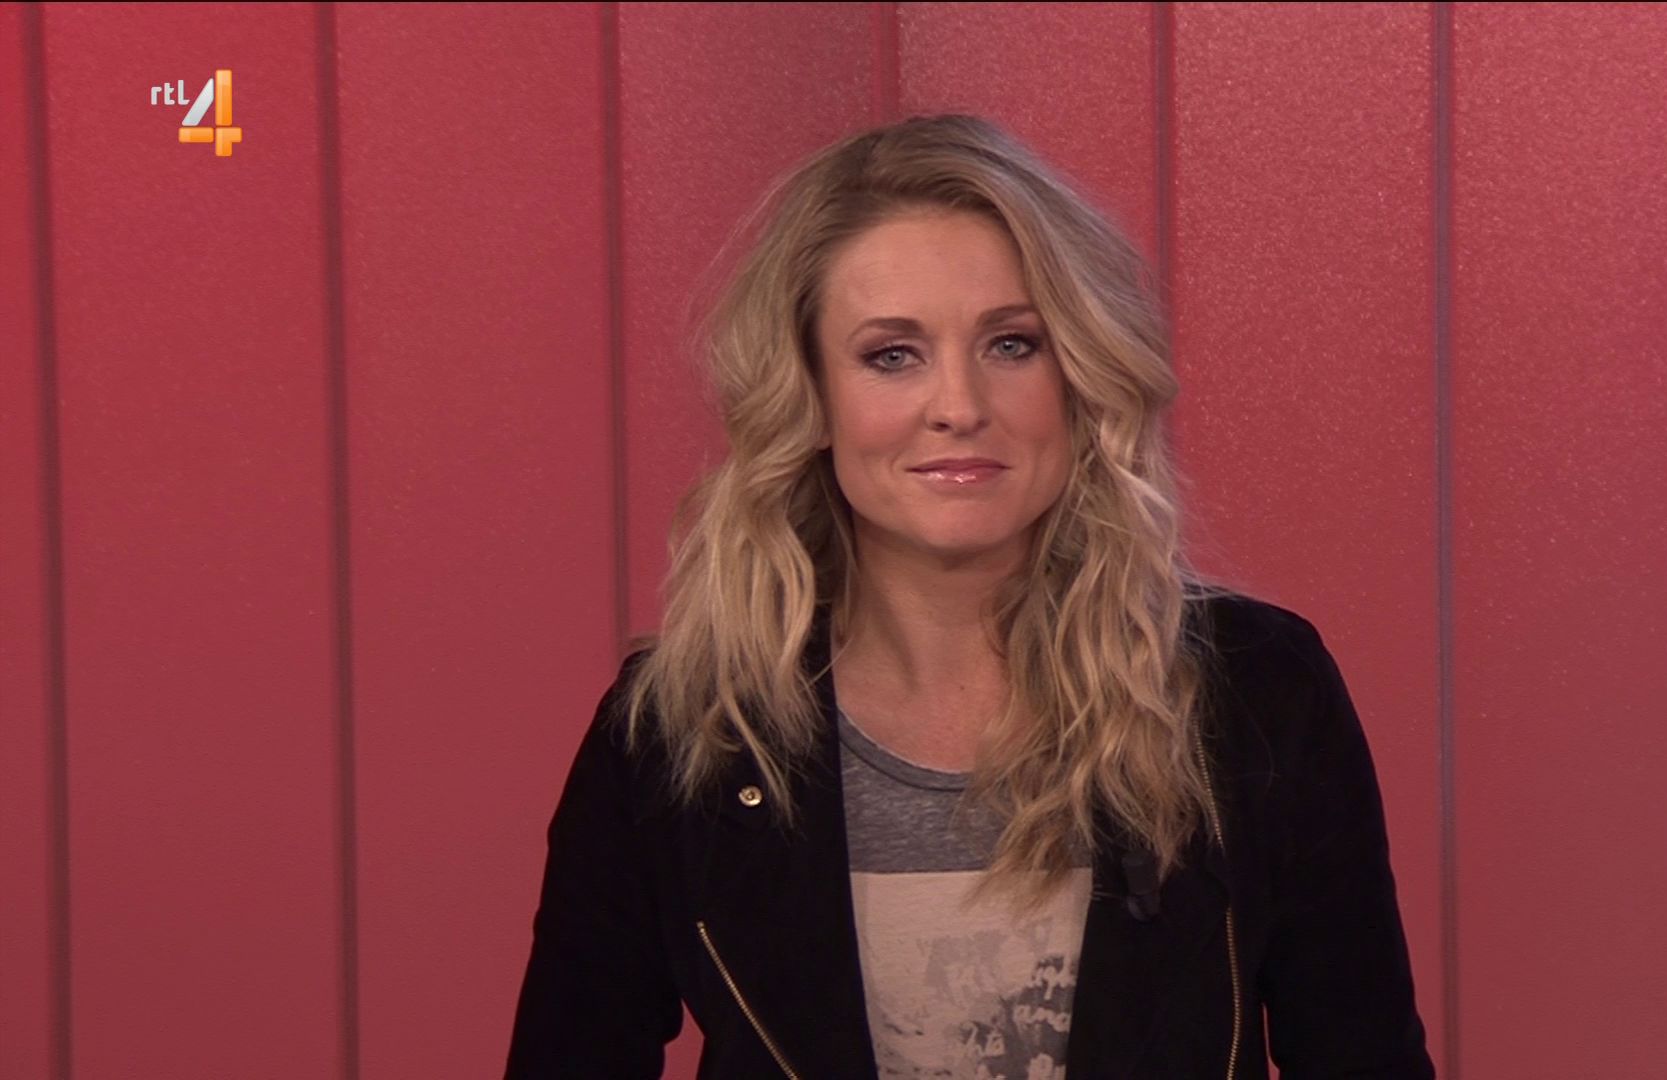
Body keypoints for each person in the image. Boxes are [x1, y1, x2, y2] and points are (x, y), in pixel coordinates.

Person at [504, 113, 1434, 1079]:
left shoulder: (1256, 694)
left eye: (1012, 344)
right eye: (891, 355)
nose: (959, 406)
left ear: (1081, 375)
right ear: (810, 397)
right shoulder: (681, 729)